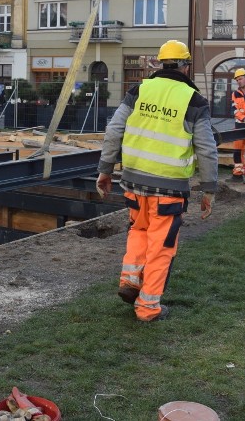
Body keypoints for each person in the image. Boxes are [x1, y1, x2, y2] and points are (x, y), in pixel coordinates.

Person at [96, 40, 218, 323]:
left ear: (160, 64)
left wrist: (105, 170)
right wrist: (209, 189)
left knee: (139, 231)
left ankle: (130, 281)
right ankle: (148, 307)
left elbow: (114, 130)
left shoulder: (139, 90)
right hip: (170, 189)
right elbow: (207, 149)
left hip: (134, 183)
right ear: (186, 66)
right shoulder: (194, 100)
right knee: (162, 246)